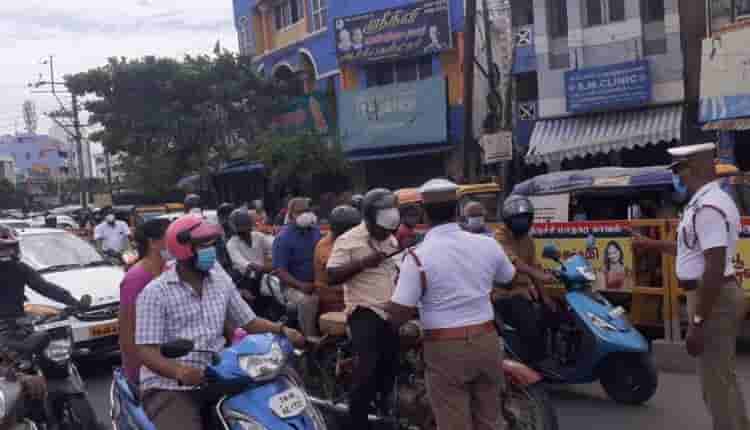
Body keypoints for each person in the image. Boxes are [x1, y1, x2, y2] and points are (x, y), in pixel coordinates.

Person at [135, 215, 305, 430]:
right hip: (171, 386)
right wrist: (179, 371)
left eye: (212, 244)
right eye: (203, 246)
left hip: (221, 373)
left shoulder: (219, 278)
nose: (211, 251)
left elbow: (249, 321)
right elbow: (146, 351)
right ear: (183, 250)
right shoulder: (155, 293)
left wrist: (282, 330)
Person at [633, 143, 749, 430]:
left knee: (716, 384)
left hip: (713, 298)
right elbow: (692, 249)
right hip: (713, 295)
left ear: (695, 167)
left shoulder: (709, 207)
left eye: (678, 169)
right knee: (722, 378)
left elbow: (714, 266)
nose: (676, 176)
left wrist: (697, 323)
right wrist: (652, 244)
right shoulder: (706, 201)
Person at [388, 178, 516, 430]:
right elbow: (509, 279)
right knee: (490, 421)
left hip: (445, 349)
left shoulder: (417, 256)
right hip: (487, 341)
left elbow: (400, 313)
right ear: (458, 209)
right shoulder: (488, 244)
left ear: (424, 214)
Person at [327, 189, 401, 430]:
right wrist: (362, 263)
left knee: (392, 365)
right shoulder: (348, 240)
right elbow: (331, 276)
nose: (386, 234)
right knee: (367, 369)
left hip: (390, 309)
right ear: (368, 220)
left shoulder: (391, 238)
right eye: (382, 230)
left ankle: (385, 410)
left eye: (389, 230)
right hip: (363, 309)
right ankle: (356, 422)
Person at [493, 195, 557, 364]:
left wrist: (546, 298)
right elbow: (514, 262)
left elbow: (534, 268)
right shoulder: (499, 237)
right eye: (517, 219)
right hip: (503, 293)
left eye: (525, 218)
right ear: (507, 220)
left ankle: (554, 356)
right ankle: (533, 364)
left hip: (523, 292)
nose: (521, 223)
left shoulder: (528, 240)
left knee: (555, 313)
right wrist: (537, 274)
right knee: (529, 324)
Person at [119, 218, 171, 386]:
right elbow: (128, 330)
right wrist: (136, 373)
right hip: (148, 369)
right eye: (170, 237)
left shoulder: (171, 269)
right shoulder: (136, 277)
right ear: (153, 243)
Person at [0, 226, 84, 320]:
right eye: (3, 248)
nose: (10, 251)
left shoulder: (19, 268)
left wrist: (73, 302)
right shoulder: (18, 267)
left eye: (12, 247)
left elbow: (44, 287)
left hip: (15, 319)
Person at [272, 197, 322, 336]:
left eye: (307, 211)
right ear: (291, 214)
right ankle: (309, 338)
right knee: (308, 301)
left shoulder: (316, 231)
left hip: (316, 282)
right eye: (300, 212)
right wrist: (301, 285)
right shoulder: (283, 238)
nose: (305, 215)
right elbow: (280, 271)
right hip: (292, 287)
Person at [314, 205, 361, 314]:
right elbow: (340, 273)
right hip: (332, 296)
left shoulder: (347, 240)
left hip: (349, 292)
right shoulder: (325, 246)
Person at [227, 209, 273, 300]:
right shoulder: (231, 244)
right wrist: (268, 267)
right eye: (241, 232)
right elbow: (247, 265)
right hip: (245, 280)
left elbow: (274, 247)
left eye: (247, 229)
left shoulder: (258, 236)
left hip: (263, 275)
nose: (245, 233)